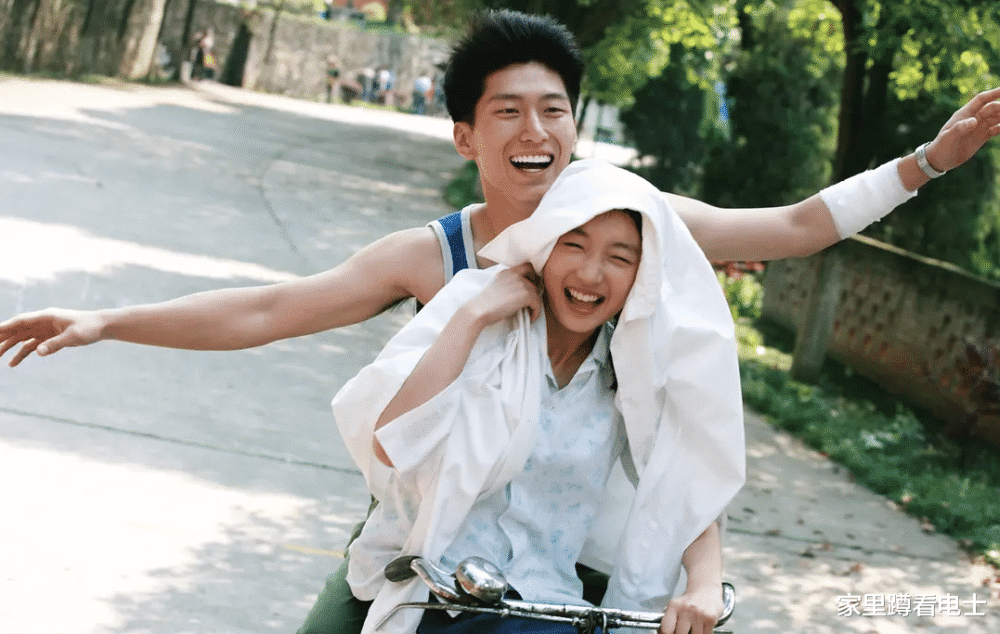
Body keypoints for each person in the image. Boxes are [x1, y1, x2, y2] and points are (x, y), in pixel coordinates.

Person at [0, 8, 998, 634]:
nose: (536, 130)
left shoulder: (629, 225)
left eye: (554, 109)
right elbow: (268, 308)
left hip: (566, 562)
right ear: (464, 134)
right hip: (426, 544)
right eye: (508, 110)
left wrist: (927, 162)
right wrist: (106, 319)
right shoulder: (431, 254)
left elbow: (793, 228)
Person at [334, 158, 745, 634]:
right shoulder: (477, 309)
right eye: (574, 245)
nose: (591, 274)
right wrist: (472, 318)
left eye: (620, 258)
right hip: (437, 593)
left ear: (642, 275)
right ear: (545, 245)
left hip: (547, 608)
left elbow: (682, 480)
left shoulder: (629, 373)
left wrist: (704, 585)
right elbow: (391, 444)